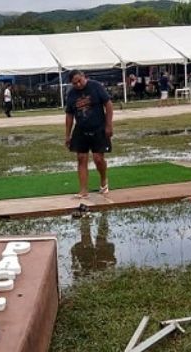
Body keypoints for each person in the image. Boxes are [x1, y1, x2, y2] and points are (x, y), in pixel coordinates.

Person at [65, 69, 114, 199]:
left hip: (98, 127)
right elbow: (69, 115)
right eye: (75, 83)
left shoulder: (96, 86)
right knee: (81, 158)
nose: (78, 85)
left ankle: (103, 181)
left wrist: (109, 125)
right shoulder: (71, 94)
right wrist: (67, 135)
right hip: (81, 129)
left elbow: (108, 104)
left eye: (79, 81)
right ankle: (83, 190)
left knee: (98, 159)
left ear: (83, 77)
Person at [71, 213, 116, 279]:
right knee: (95, 242)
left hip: (91, 261)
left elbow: (75, 269)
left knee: (89, 243)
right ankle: (102, 216)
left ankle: (88, 218)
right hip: (94, 261)